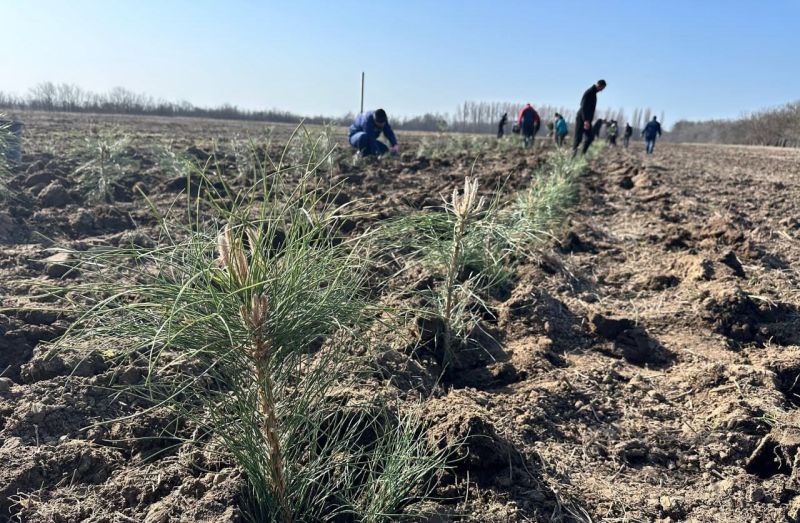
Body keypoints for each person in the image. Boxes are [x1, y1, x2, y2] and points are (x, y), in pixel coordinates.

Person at [572, 80, 606, 156]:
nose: (601, 91)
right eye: (602, 88)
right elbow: (583, 106)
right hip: (582, 118)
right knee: (578, 138)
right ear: (599, 85)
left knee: (590, 137)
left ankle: (582, 156)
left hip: (587, 120)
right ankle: (573, 157)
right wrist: (585, 120)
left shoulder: (594, 94)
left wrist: (588, 120)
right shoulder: (589, 92)